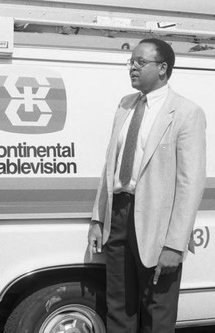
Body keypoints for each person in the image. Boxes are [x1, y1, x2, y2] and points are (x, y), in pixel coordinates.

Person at [88, 38, 206, 332]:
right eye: (131, 61)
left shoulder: (185, 113)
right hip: (118, 219)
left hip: (158, 226)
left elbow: (190, 184)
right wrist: (98, 218)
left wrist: (175, 245)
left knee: (157, 312)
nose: (133, 67)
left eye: (140, 62)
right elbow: (110, 166)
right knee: (118, 307)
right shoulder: (125, 105)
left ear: (163, 68)